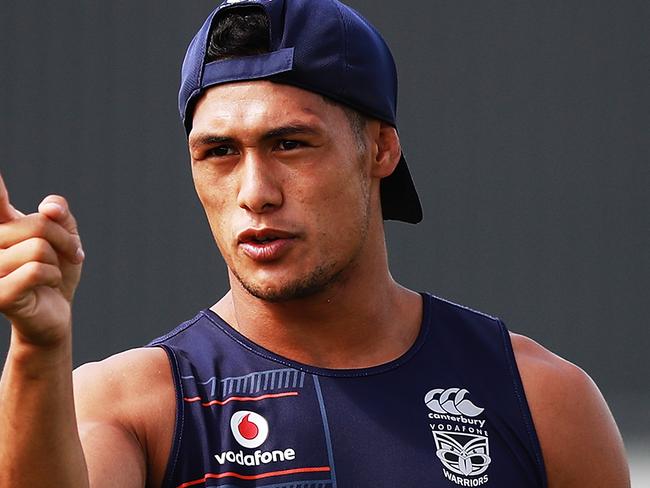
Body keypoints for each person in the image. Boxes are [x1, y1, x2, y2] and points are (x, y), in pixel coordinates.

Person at [0, 0, 630, 486]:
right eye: (218, 152)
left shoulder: (541, 398)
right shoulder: (134, 405)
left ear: (380, 149)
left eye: (290, 144)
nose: (255, 192)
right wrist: (37, 349)